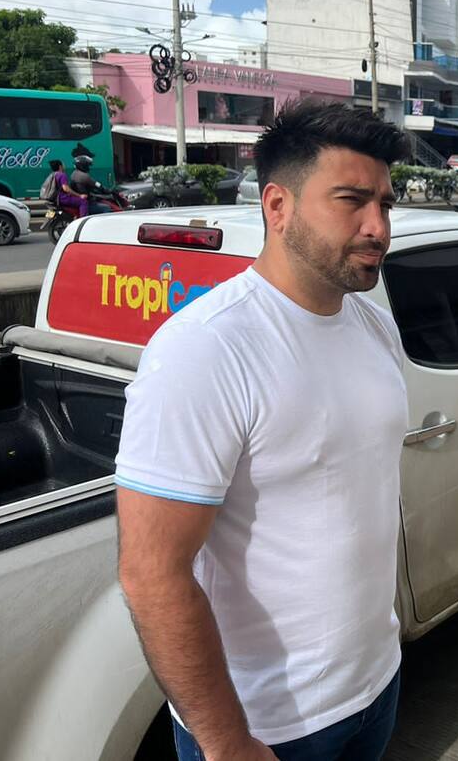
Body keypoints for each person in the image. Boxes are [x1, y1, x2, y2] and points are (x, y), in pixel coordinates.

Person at [115, 101, 410, 761]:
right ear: (278, 206)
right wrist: (226, 744)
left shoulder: (373, 326)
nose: (378, 227)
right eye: (352, 201)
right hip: (265, 725)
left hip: (375, 686)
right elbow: (151, 573)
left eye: (385, 204)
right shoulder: (206, 348)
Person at [69, 148, 114, 214]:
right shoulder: (84, 176)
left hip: (79, 199)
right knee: (107, 208)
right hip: (86, 201)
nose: (88, 167)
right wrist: (108, 190)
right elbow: (97, 185)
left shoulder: (74, 174)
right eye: (87, 165)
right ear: (83, 165)